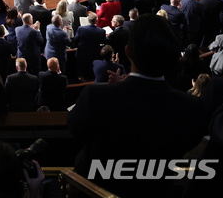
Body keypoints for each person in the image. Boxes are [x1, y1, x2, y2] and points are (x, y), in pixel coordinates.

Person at [68, 14, 207, 198]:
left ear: (128, 52)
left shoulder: (96, 96)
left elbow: (75, 129)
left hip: (98, 189)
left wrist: (113, 91)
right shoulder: (192, 108)